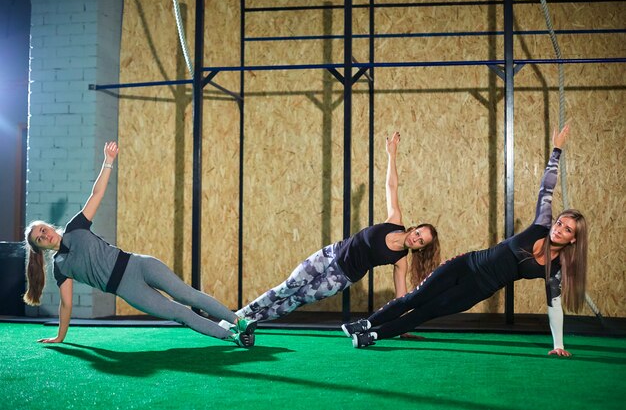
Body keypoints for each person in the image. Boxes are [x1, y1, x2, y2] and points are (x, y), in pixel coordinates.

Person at [342, 125, 587, 357]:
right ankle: (365, 323)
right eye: (560, 223)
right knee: (413, 298)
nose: (559, 229)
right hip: (466, 264)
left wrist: (558, 345)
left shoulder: (555, 269)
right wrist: (556, 151)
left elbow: (554, 306)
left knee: (425, 312)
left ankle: (372, 335)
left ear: (573, 239)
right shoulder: (542, 225)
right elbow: (546, 189)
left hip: (477, 290)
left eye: (567, 230)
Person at [24, 142, 256, 348]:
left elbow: (96, 194)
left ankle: (240, 322)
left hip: (138, 264)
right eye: (39, 239)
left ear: (49, 226)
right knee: (179, 313)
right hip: (127, 289)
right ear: (40, 249)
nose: (45, 236)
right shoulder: (61, 267)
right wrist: (60, 337)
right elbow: (66, 305)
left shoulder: (76, 226)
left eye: (43, 230)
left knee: (188, 295)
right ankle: (232, 337)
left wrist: (108, 162)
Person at [234, 132, 441, 324]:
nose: (416, 238)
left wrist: (401, 327)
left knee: (295, 299)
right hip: (330, 253)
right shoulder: (394, 220)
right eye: (418, 233)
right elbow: (391, 186)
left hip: (340, 278)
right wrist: (391, 154)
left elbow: (401, 297)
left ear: (420, 248)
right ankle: (237, 316)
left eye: (421, 241)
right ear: (414, 228)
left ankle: (249, 322)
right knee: (287, 287)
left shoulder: (400, 261)